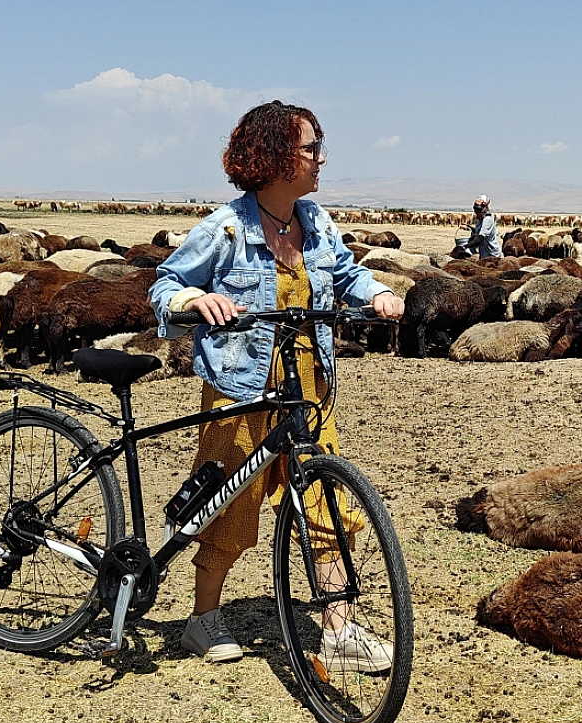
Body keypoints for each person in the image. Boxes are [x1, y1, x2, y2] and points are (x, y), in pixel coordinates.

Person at [147, 100, 406, 666]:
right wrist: (197, 297)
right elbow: (165, 286)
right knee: (228, 502)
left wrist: (374, 293)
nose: (320, 159)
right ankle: (203, 619)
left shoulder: (315, 223)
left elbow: (347, 272)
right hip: (241, 391)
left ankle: (339, 630)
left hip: (308, 388)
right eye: (310, 148)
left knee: (326, 499)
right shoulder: (226, 227)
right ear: (274, 157)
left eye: (317, 147)